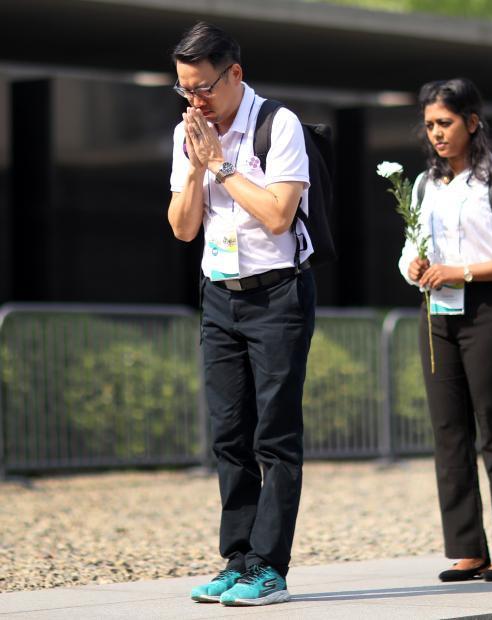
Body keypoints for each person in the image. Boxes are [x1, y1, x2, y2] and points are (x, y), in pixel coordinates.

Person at [167, 22, 315, 606]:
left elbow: (279, 216)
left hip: (277, 294)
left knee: (274, 434)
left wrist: (224, 165)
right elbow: (182, 229)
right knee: (229, 433)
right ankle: (237, 558)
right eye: (183, 90)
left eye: (203, 87)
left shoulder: (279, 124)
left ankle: (269, 567)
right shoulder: (188, 135)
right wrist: (199, 164)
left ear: (235, 75)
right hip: (219, 293)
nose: (194, 101)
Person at [397, 78, 492, 582]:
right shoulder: (421, 184)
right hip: (436, 311)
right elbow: (407, 250)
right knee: (447, 429)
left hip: (490, 310)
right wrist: (412, 266)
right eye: (430, 124)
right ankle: (466, 548)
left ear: (472, 123)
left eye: (446, 123)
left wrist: (463, 270)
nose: (436, 133)